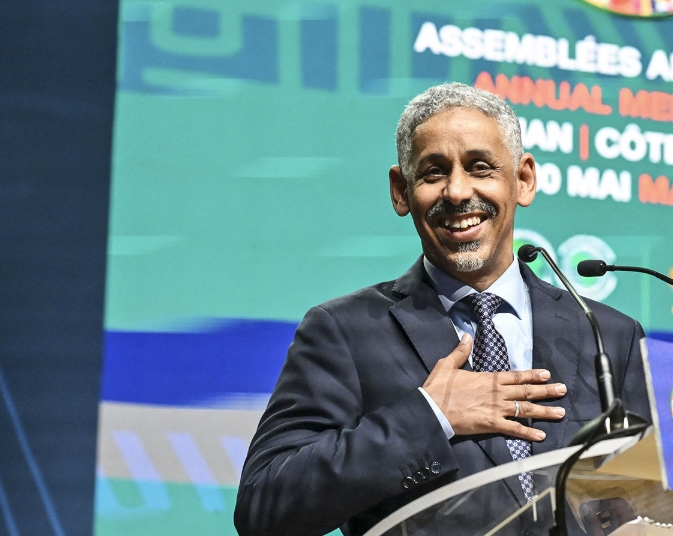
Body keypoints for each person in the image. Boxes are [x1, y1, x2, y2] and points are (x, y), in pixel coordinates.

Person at [234, 83, 650, 536]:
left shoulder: (609, 336)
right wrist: (431, 415)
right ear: (400, 191)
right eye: (433, 173)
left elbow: (644, 508)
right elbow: (264, 506)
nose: (456, 191)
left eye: (480, 167)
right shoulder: (345, 332)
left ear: (523, 180)